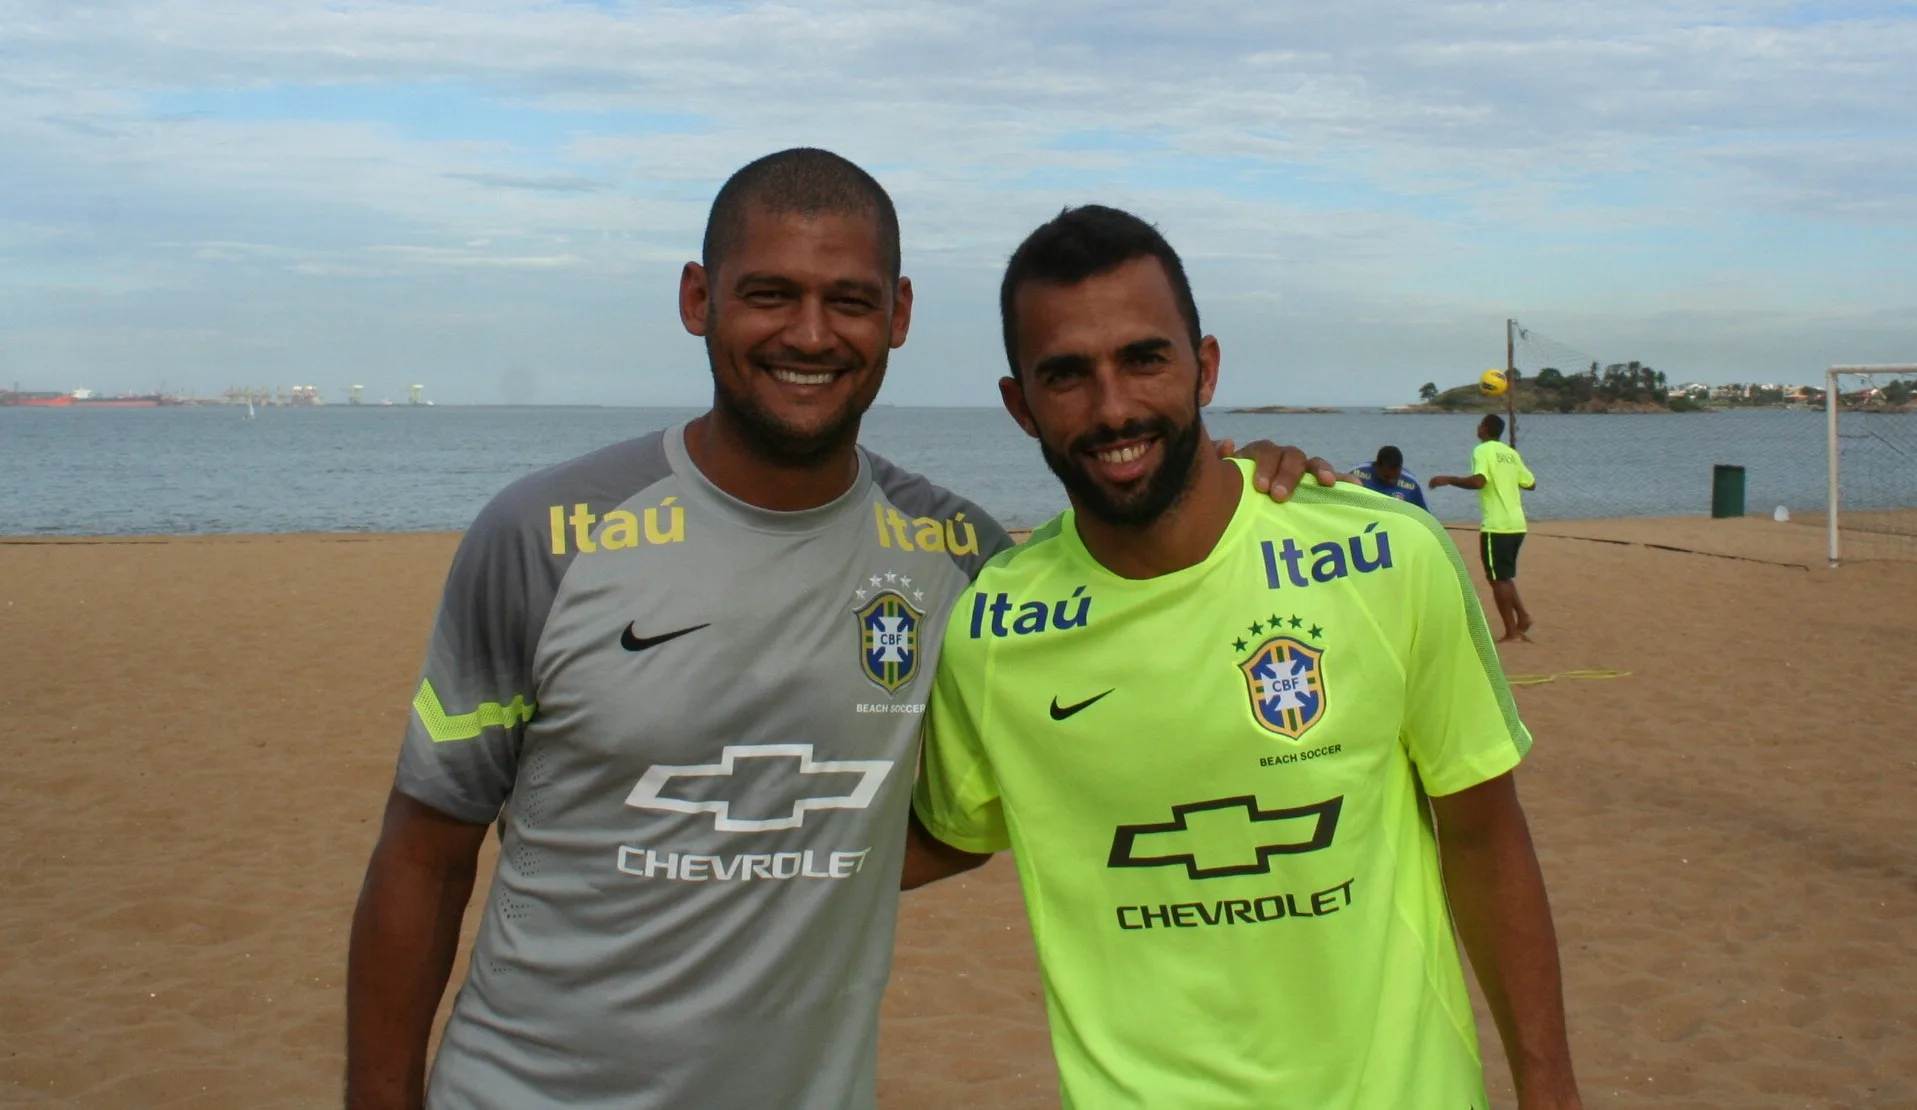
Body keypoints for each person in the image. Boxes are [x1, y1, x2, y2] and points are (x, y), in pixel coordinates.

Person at [344, 149, 1336, 1110]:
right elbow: (426, 857)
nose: (811, 336)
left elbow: (1092, 670)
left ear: (897, 315)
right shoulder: (546, 537)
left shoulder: (962, 560)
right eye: (770, 294)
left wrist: (1243, 481)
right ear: (700, 299)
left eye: (850, 300)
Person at [909, 205, 1582, 1109]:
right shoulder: (991, 628)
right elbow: (938, 836)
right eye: (1065, 375)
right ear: (1018, 404)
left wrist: (1549, 1091)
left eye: (1145, 358)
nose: (1113, 408)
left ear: (1206, 367)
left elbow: (1480, 831)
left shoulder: (1386, 555)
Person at [1430, 413, 1536, 643]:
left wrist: (1448, 479)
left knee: (1496, 579)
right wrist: (1507, 477)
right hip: (1517, 524)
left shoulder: (1483, 450)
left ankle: (1510, 631)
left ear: (1486, 429)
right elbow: (1531, 483)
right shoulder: (1511, 453)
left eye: (1480, 425)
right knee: (1503, 576)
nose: (1477, 428)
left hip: (1497, 526)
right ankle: (1523, 617)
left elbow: (1479, 481)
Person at [1348, 444, 1427, 509]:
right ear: (1376, 466)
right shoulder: (1358, 473)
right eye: (1387, 477)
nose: (1391, 481)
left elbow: (1424, 514)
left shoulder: (1411, 484)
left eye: (1396, 477)